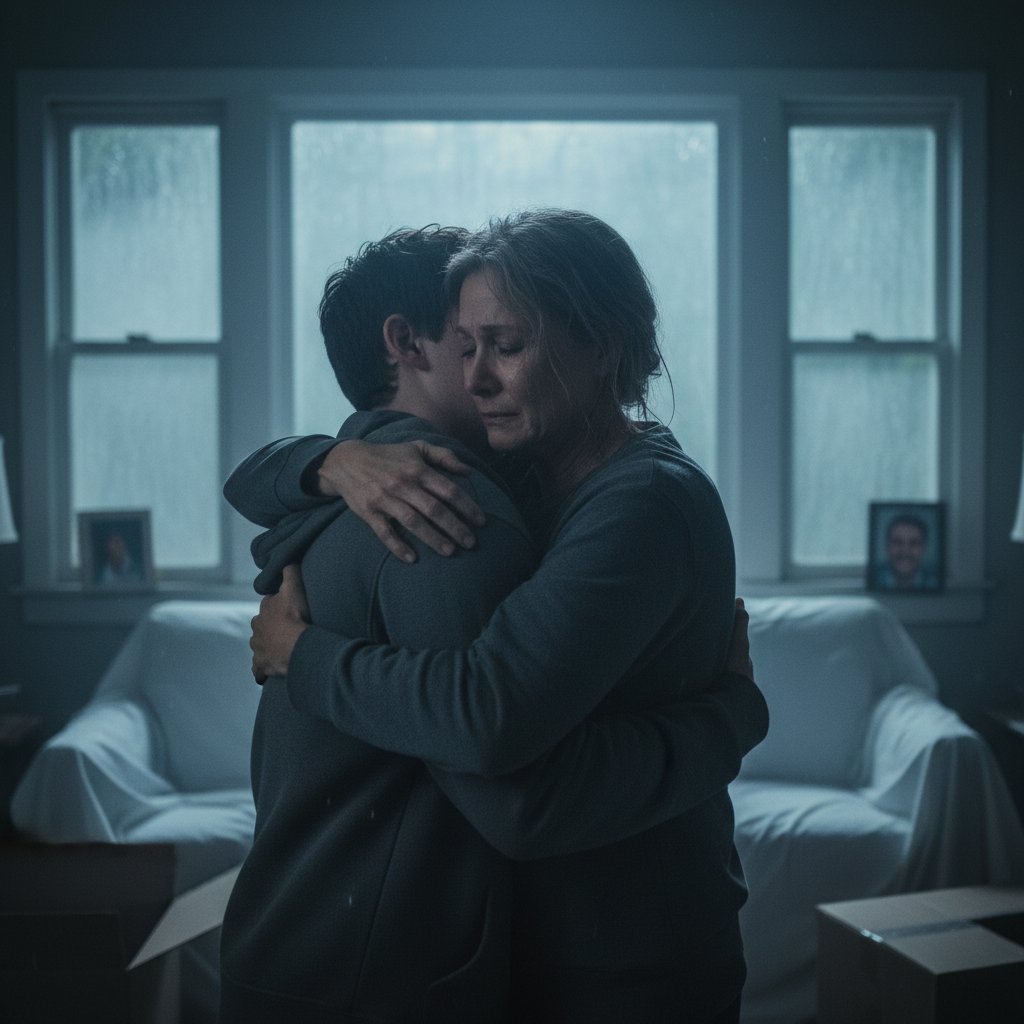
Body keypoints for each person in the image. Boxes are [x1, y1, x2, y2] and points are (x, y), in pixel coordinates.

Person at [220, 223, 767, 1023]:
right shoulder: (520, 471)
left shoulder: (640, 502)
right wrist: (329, 460)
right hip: (550, 952)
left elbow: (494, 731)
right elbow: (259, 480)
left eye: (504, 345)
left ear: (602, 346)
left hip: (633, 956)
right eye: (466, 346)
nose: (475, 379)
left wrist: (303, 655)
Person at [877, 512, 936, 589]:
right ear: (887, 546)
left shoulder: (934, 581)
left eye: (914, 543)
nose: (905, 551)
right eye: (898, 542)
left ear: (924, 548)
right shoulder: (875, 577)